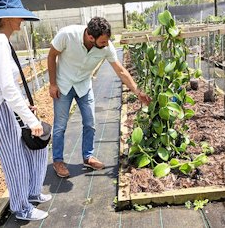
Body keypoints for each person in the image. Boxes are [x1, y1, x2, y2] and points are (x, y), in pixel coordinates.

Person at [48, 16, 151, 178]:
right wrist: (52, 83)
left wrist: (138, 92)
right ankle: (58, 161)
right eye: (103, 41)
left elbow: (121, 71)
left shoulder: (106, 46)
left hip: (83, 85)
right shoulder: (67, 35)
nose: (106, 44)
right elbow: (51, 55)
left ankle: (88, 157)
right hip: (64, 85)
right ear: (90, 37)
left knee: (90, 122)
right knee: (60, 126)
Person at [0, 0, 51, 221]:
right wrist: (31, 120)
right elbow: (6, 86)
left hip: (4, 105)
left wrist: (22, 107)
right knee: (14, 159)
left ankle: (32, 193)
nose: (21, 20)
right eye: (17, 15)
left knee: (31, 149)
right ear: (4, 18)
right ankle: (21, 208)